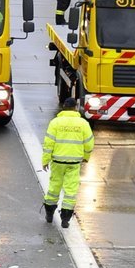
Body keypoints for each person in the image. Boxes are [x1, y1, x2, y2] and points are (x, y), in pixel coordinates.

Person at [41, 94, 94, 228]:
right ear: (76, 108)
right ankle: (65, 219)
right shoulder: (83, 123)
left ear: (64, 107)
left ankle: (49, 214)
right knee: (70, 190)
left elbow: (48, 143)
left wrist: (45, 160)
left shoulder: (55, 123)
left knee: (54, 187)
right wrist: (86, 157)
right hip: (74, 162)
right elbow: (89, 144)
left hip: (57, 161)